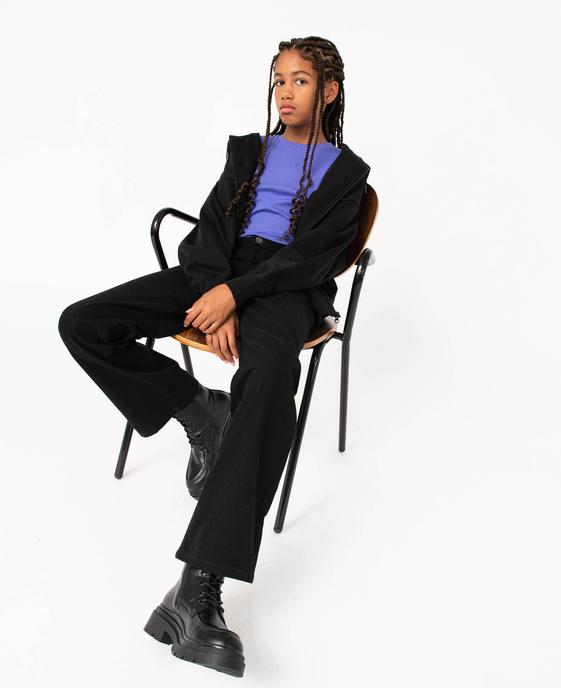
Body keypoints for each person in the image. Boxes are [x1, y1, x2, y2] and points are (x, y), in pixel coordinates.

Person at [57, 35, 371, 678]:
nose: (285, 92)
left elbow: (310, 260)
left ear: (329, 91)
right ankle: (201, 412)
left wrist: (237, 296)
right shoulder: (248, 153)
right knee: (84, 323)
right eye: (278, 80)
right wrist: (215, 292)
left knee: (272, 377)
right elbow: (209, 232)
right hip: (219, 274)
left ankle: (197, 588)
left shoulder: (348, 176)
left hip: (285, 291)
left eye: (300, 81)